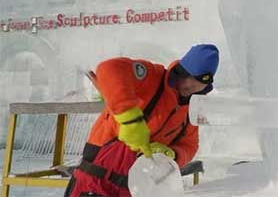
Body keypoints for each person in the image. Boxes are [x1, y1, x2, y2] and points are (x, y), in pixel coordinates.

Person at [64, 44, 219, 197]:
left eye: (197, 82)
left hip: (139, 185)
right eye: (186, 76)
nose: (188, 85)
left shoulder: (194, 108)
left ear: (206, 84)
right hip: (98, 172)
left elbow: (189, 145)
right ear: (179, 70)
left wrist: (172, 154)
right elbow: (109, 69)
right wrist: (129, 118)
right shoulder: (153, 76)